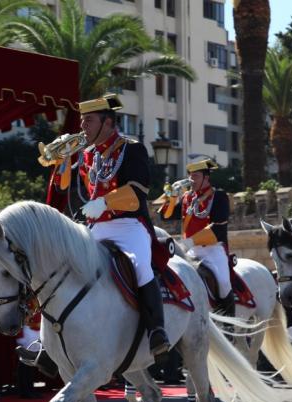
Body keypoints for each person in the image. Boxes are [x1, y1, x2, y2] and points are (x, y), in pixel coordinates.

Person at [76, 94, 170, 358]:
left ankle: (157, 331)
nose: (83, 126)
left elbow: (138, 192)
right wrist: (61, 166)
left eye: (89, 121)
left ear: (108, 122)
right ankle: (52, 344)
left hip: (129, 226)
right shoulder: (88, 156)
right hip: (96, 226)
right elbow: (80, 189)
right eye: (83, 121)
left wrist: (104, 202)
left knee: (140, 267)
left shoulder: (132, 148)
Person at [159, 158, 234, 319]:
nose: (191, 180)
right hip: (190, 250)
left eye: (196, 176)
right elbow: (165, 216)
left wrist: (190, 241)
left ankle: (230, 323)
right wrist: (171, 198)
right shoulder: (187, 198)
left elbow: (218, 228)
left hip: (212, 250)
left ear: (206, 178)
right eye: (190, 176)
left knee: (223, 283)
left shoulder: (218, 196)